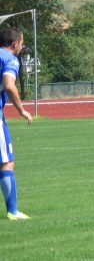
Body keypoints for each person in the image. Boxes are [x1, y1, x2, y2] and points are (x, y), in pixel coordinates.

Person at [0, 27, 33, 220]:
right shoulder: (10, 59)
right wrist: (21, 110)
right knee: (6, 163)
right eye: (21, 43)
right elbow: (9, 85)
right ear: (15, 43)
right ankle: (13, 211)